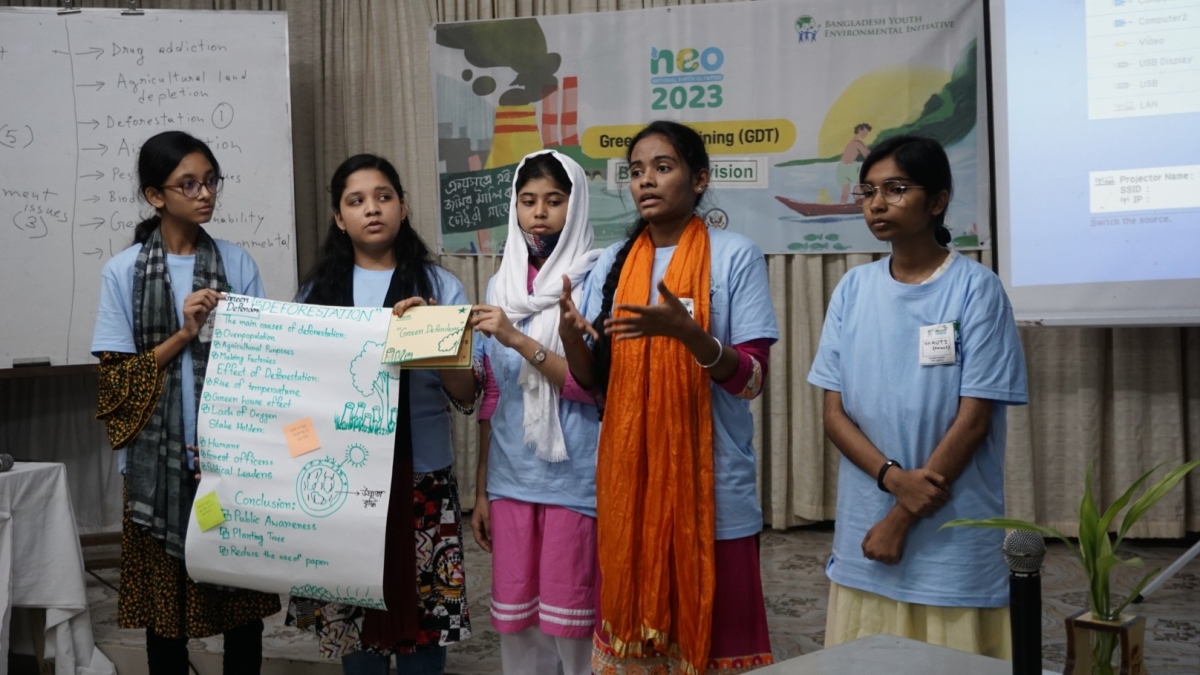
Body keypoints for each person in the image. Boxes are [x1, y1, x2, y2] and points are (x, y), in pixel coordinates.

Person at [559, 121, 778, 675]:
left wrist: (690, 335)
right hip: (628, 492)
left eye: (663, 167)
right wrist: (570, 338)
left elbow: (751, 379)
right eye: (635, 171)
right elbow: (594, 385)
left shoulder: (735, 256)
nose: (645, 181)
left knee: (718, 651)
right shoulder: (611, 263)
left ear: (699, 179)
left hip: (711, 492)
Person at [807, 135, 1028, 656]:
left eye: (896, 188)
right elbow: (834, 415)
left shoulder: (977, 288)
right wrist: (892, 481)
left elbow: (974, 421)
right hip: (867, 531)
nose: (877, 203)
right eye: (868, 191)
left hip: (950, 532)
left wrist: (903, 514)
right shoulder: (852, 289)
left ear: (937, 200)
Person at [92, 130, 279, 674]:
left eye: (211, 181)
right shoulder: (123, 272)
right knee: (164, 616)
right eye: (188, 184)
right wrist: (184, 332)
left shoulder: (236, 264)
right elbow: (118, 381)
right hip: (156, 467)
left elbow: (263, 362)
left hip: (229, 461)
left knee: (242, 610)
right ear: (156, 195)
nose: (205, 194)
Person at [288, 154, 476, 674]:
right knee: (357, 628)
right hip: (342, 480)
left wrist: (437, 341)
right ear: (338, 218)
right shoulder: (315, 296)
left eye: (383, 196)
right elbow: (298, 393)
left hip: (423, 478)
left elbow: (466, 394)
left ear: (403, 207)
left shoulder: (439, 288)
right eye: (356, 201)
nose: (372, 209)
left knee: (424, 626)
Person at [468, 150, 602, 675]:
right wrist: (481, 489)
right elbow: (494, 397)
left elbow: (589, 389)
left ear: (576, 205)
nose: (539, 214)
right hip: (511, 479)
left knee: (574, 623)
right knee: (519, 627)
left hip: (576, 479)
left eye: (554, 200)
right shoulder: (500, 288)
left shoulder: (594, 281)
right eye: (527, 202)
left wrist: (515, 337)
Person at [838, 123, 872, 203]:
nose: (866, 134)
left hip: (842, 167)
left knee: (847, 190)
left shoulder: (853, 142)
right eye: (865, 132)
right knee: (856, 187)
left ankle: (846, 205)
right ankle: (856, 203)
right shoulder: (857, 143)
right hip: (848, 168)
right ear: (860, 130)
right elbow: (867, 155)